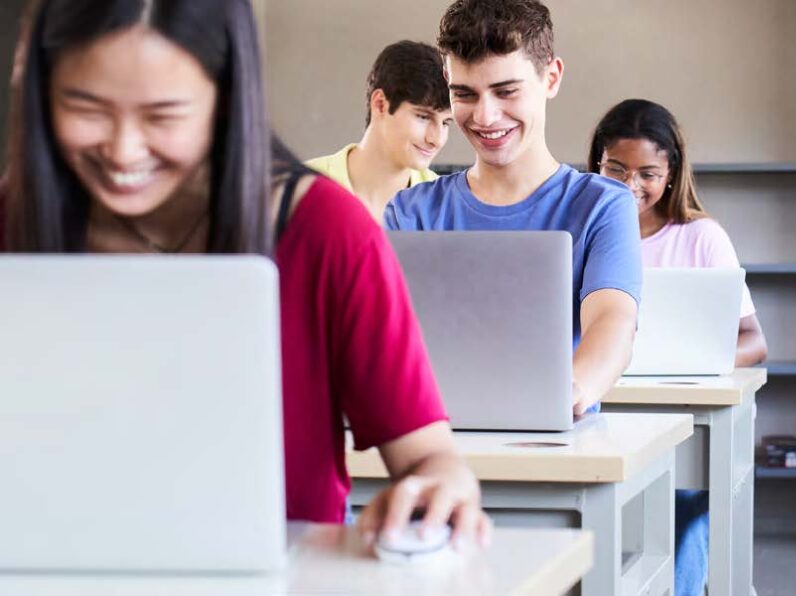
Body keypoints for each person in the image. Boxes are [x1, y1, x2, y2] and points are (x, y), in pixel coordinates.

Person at [2, 0, 489, 549]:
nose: (122, 150)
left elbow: (428, 457)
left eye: (163, 116)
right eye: (85, 108)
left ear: (227, 100)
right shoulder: (13, 222)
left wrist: (440, 491)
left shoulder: (325, 231)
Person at [385, 0, 642, 417]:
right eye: (464, 94)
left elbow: (612, 321)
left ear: (551, 77)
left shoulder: (601, 206)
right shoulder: (411, 212)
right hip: (433, 441)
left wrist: (568, 394)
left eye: (506, 91)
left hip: (557, 444)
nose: (485, 116)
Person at [588, 98, 768, 595]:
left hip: (686, 418)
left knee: (686, 508)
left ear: (671, 173)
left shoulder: (701, 237)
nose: (630, 185)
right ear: (596, 164)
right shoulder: (582, 233)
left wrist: (693, 360)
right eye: (615, 169)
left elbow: (755, 342)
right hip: (603, 411)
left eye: (647, 173)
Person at [306, 40, 453, 223]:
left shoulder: (444, 204)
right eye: (423, 117)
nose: (437, 139)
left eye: (446, 122)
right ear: (380, 104)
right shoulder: (301, 188)